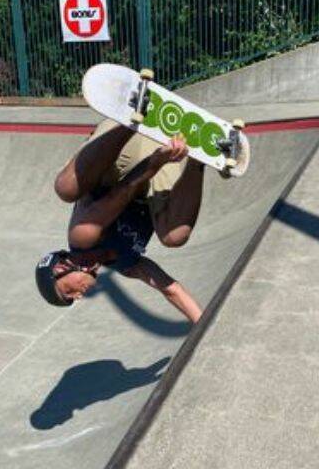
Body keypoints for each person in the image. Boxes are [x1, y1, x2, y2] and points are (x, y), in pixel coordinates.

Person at [35, 120, 205, 323]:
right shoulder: (126, 264)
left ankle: (130, 116)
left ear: (60, 269)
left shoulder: (81, 236)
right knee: (174, 236)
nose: (79, 296)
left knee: (66, 188)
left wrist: (156, 161)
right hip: (154, 168)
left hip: (125, 151)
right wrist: (207, 328)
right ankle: (201, 155)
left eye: (68, 292)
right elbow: (171, 290)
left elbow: (124, 189)